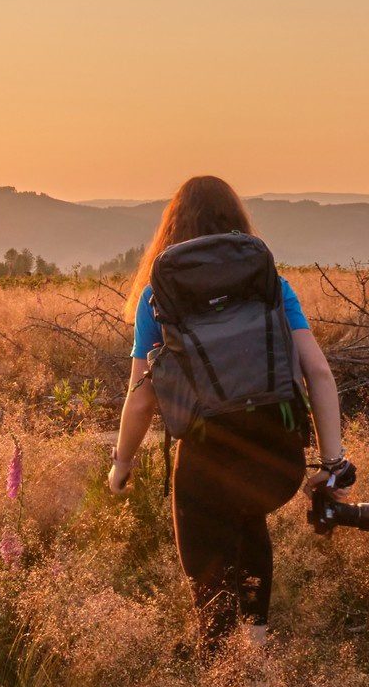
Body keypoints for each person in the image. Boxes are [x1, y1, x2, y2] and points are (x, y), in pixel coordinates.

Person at [106, 175, 354, 648]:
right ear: (237, 224)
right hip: (278, 456)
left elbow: (141, 395)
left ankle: (218, 664)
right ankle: (256, 649)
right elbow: (319, 374)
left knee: (206, 554)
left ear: (171, 229)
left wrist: (123, 463)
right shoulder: (270, 285)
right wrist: (333, 465)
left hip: (206, 456)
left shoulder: (157, 297)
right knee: (248, 515)